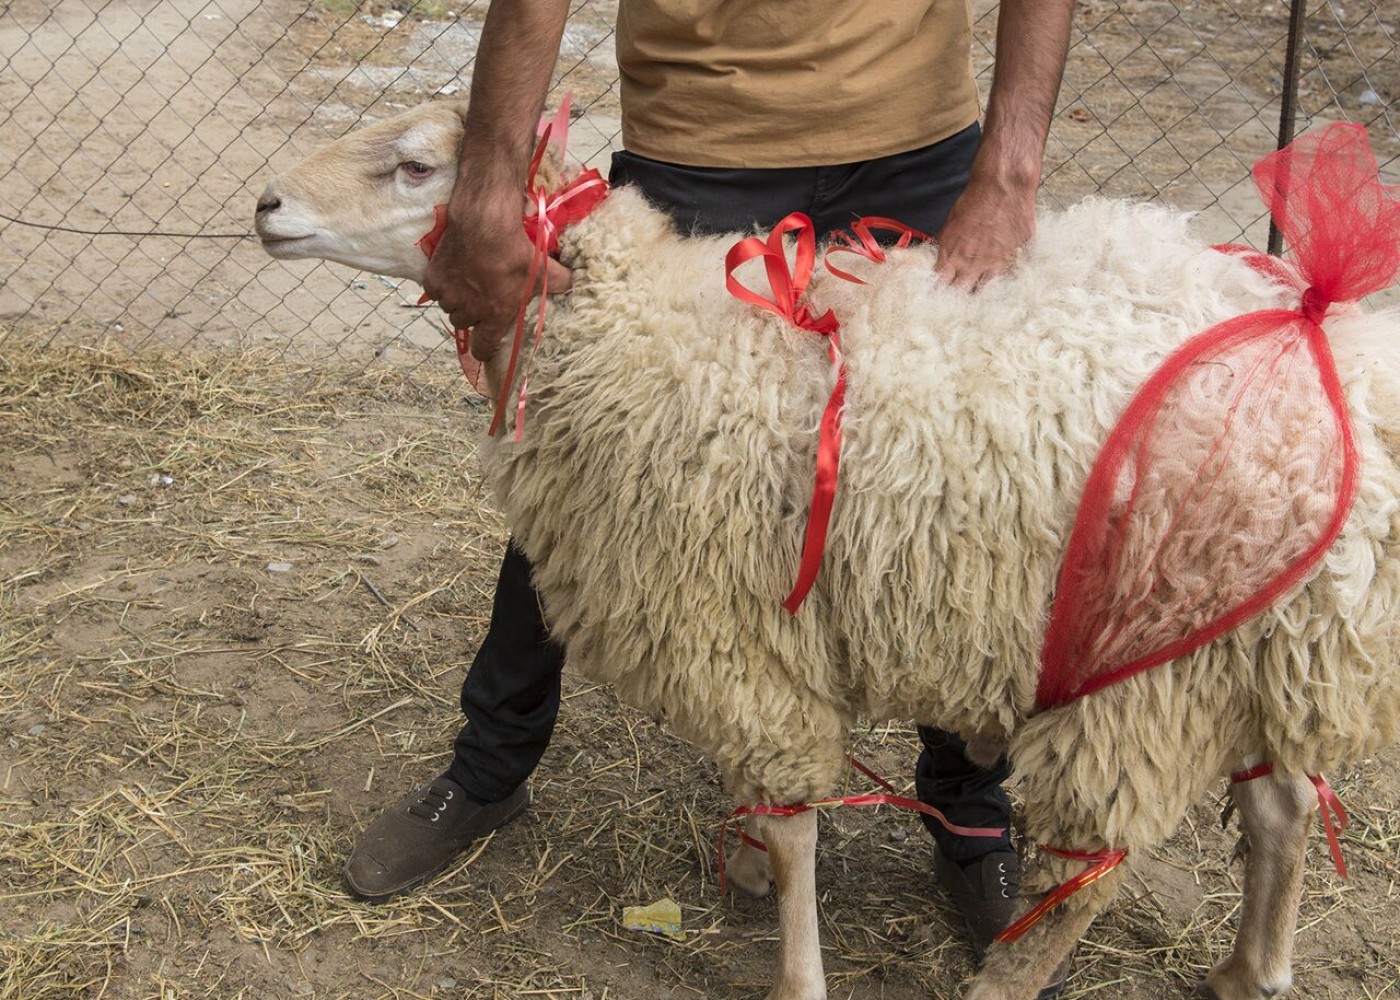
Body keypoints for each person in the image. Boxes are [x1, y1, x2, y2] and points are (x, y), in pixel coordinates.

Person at [345, 0, 1074, 992]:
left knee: (939, 491)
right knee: (597, 470)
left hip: (914, 144)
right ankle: (487, 769)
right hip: (703, 151)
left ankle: (966, 813)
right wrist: (489, 179)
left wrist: (1008, 165)